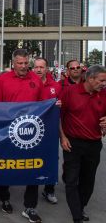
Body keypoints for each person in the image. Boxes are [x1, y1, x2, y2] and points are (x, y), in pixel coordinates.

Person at [0, 49, 43, 223]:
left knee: (34, 168)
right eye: (20, 63)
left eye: (25, 63)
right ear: (13, 63)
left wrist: (54, 105)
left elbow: (43, 105)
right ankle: (4, 198)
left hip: (31, 133)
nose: (23, 66)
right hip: (7, 132)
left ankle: (30, 207)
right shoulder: (2, 80)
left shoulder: (36, 80)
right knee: (5, 166)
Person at [60, 65, 106, 223]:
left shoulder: (104, 94)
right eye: (101, 80)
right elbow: (58, 116)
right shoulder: (70, 92)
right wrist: (63, 137)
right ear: (90, 78)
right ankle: (77, 216)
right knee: (72, 180)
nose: (104, 84)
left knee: (88, 180)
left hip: (94, 144)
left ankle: (81, 205)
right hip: (72, 143)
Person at [33, 57, 62, 205]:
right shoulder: (29, 83)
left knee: (52, 159)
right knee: (32, 158)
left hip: (50, 129)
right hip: (33, 129)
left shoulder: (56, 86)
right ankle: (31, 186)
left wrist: (59, 104)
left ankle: (49, 189)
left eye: (41, 67)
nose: (39, 70)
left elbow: (62, 107)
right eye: (36, 67)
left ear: (47, 68)